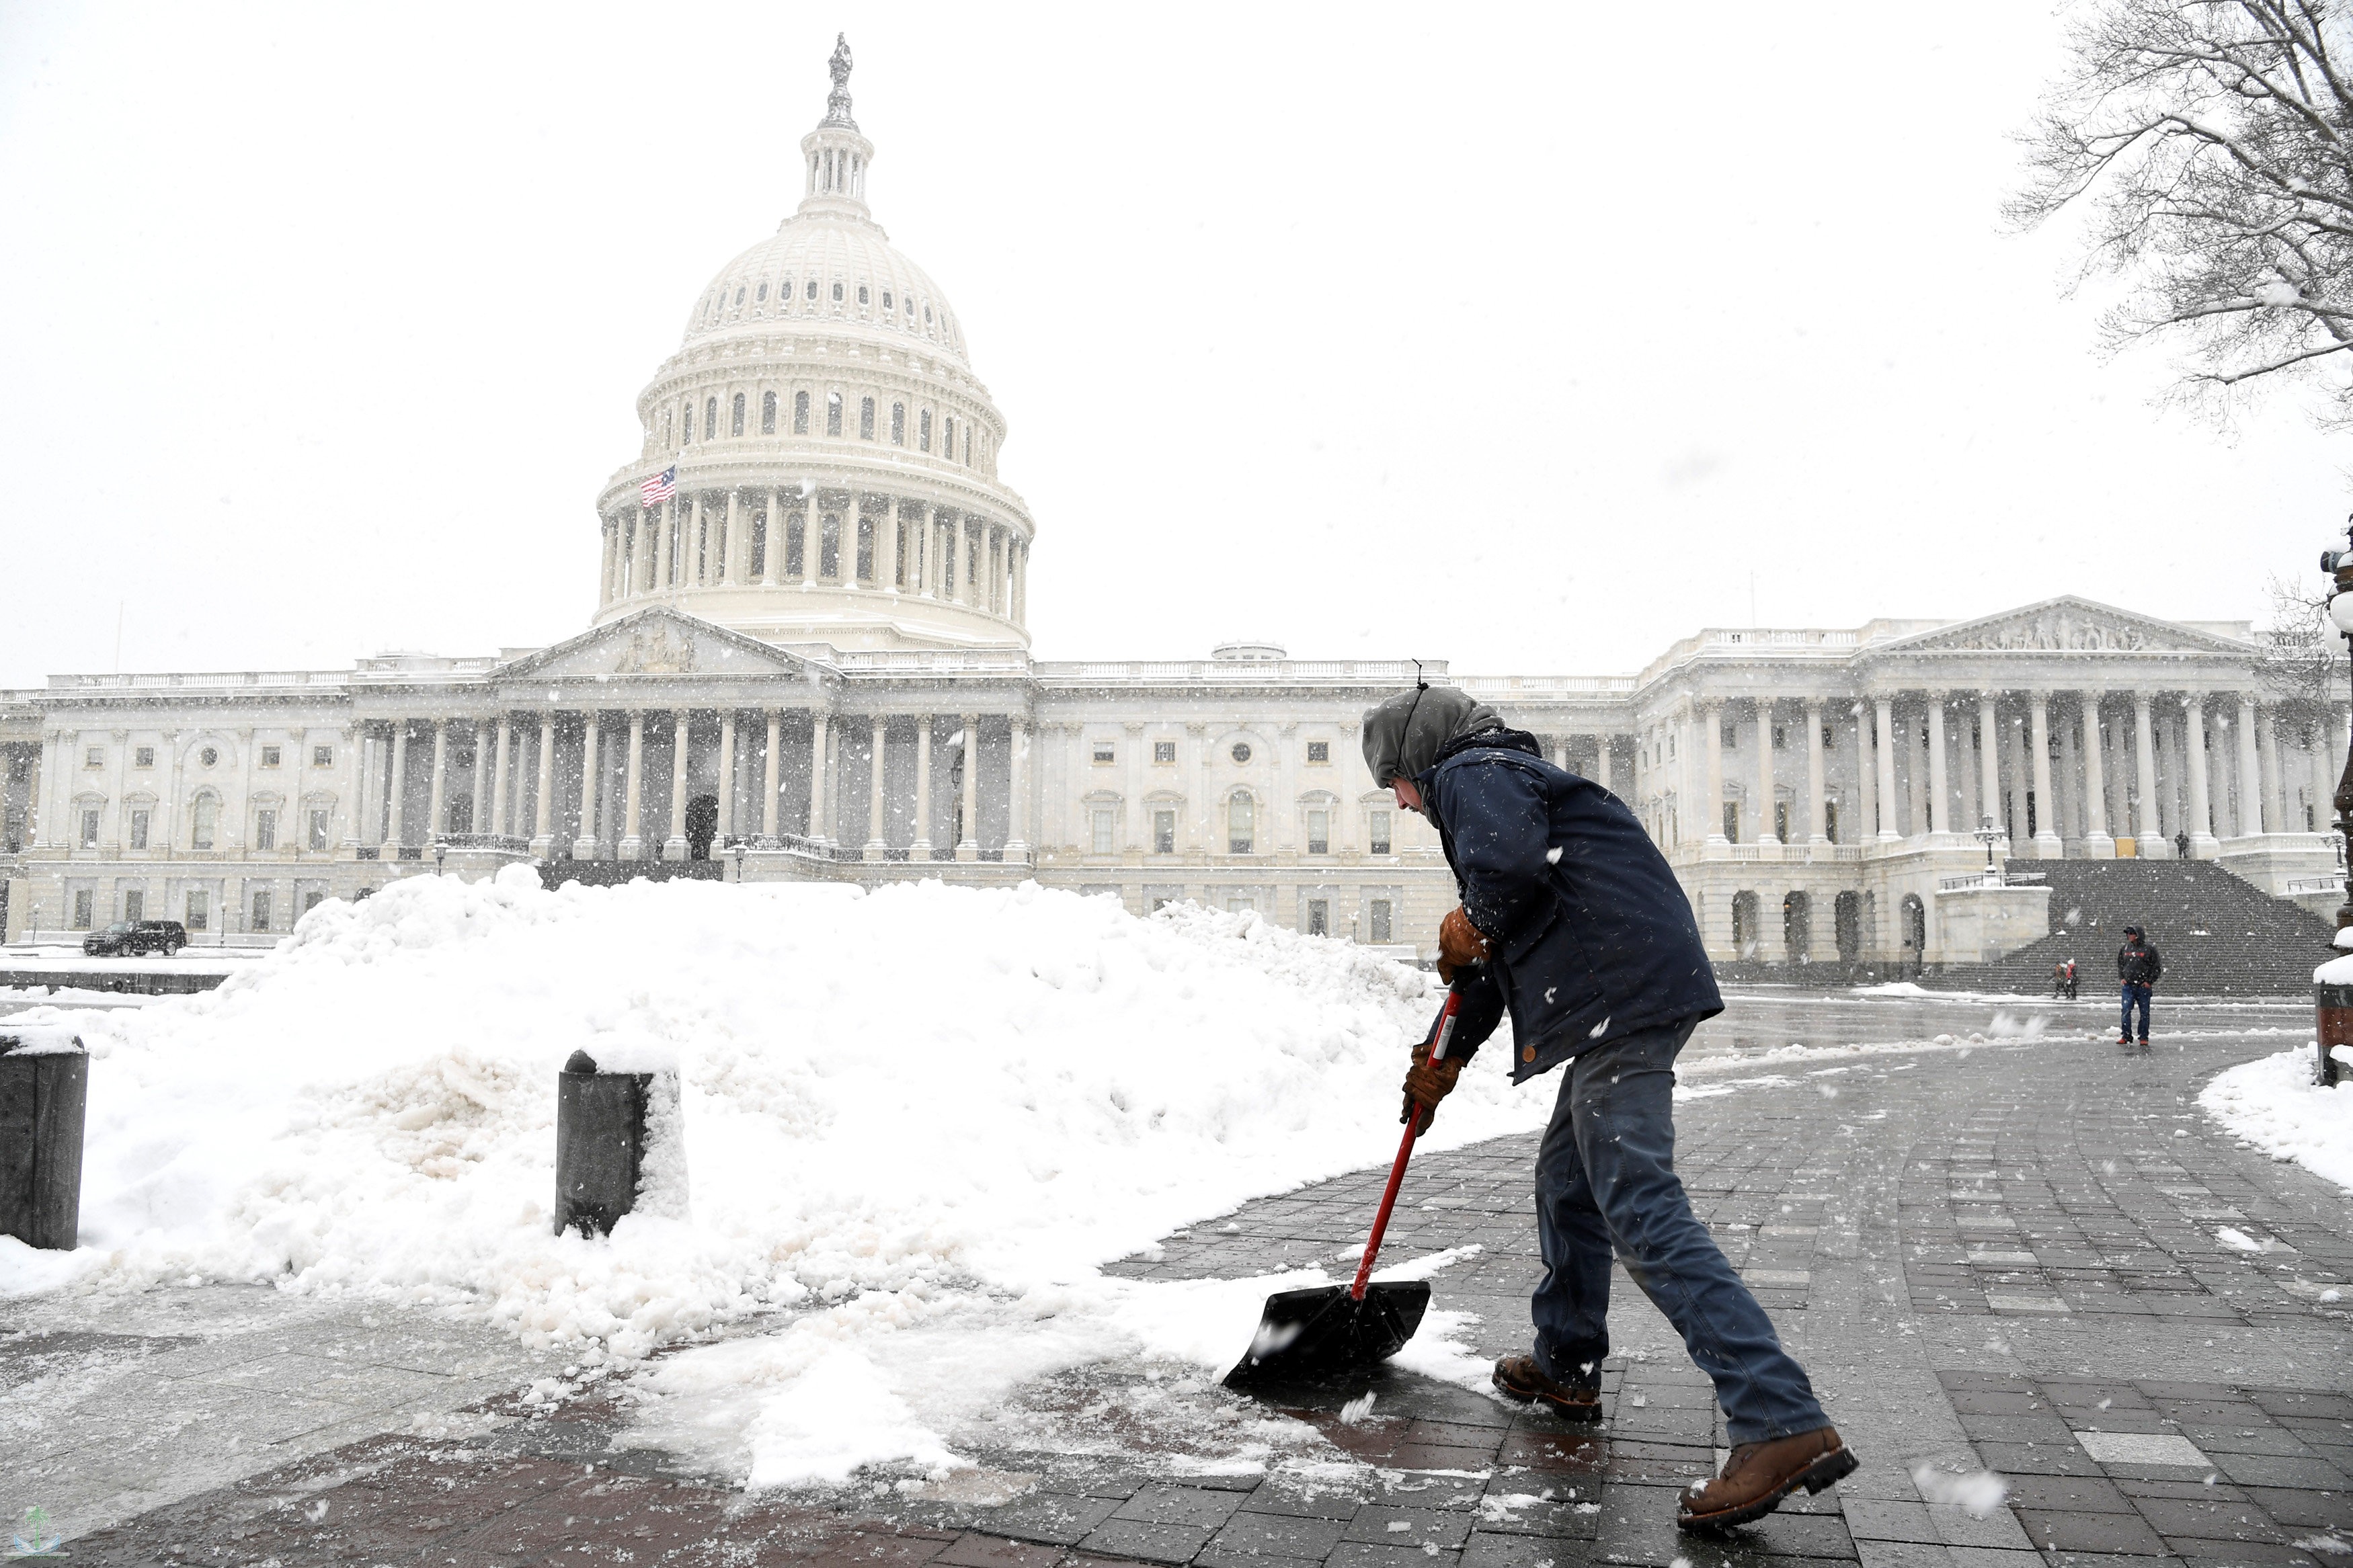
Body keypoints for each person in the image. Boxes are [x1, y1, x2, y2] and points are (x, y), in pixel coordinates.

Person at [1362, 684, 1856, 1532]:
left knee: (1639, 1204)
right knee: (1568, 1182)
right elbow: (1492, 950)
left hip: (1619, 996)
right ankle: (1565, 1363)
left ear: (1417, 759)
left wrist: (1470, 915)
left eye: (1394, 784)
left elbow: (1503, 891)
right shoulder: (1496, 791)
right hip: (1619, 994)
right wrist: (1437, 1063)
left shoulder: (1474, 770)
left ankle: (1778, 1418)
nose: (1401, 804)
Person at [2117, 925, 2162, 1047]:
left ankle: (2143, 1037)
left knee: (2144, 1013)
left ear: (2137, 934)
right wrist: (2122, 978)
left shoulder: (2149, 949)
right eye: (2128, 933)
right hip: (2128, 987)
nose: (2128, 935)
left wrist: (2149, 981)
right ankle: (2126, 1035)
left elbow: (2157, 968)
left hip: (2143, 987)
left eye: (2131, 933)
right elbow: (2120, 965)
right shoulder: (2125, 949)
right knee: (2125, 1011)